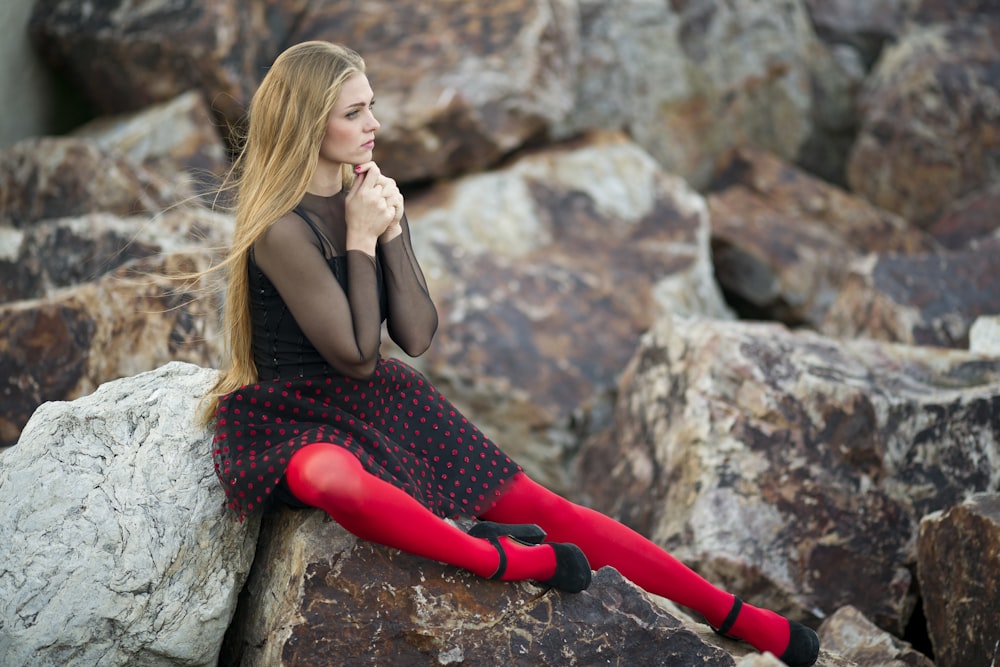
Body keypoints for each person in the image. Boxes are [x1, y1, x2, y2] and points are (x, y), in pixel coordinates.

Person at [198, 40, 820, 667]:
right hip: (295, 412)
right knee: (327, 479)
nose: (374, 125)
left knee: (544, 504)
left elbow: (414, 336)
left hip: (381, 401)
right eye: (354, 113)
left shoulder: (367, 194)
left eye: (372, 106)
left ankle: (737, 615)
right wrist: (360, 237)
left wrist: (390, 230)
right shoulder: (281, 228)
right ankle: (500, 557)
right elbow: (357, 354)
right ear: (310, 124)